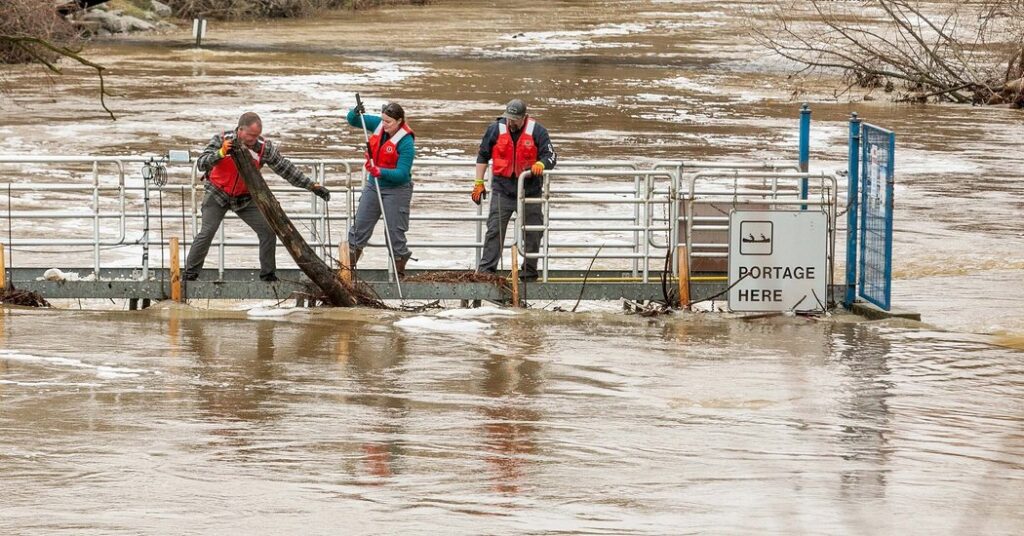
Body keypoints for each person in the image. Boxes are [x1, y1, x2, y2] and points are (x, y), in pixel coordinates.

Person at [184, 112, 331, 282]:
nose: (253, 139)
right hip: (217, 193)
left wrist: (312, 186)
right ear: (240, 130)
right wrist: (221, 153)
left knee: (268, 231)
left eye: (256, 135)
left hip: (245, 197)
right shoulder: (221, 139)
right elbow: (202, 163)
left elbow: (286, 169)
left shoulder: (264, 148)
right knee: (207, 232)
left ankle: (268, 275)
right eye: (250, 135)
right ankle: (190, 274)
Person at [472, 99, 556, 281]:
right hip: (502, 190)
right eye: (509, 118)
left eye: (515, 119)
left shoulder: (538, 131)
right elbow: (482, 155)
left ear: (524, 117)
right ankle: (486, 271)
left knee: (533, 232)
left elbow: (551, 156)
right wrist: (478, 182)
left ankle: (529, 272)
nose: (511, 123)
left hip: (530, 191)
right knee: (494, 230)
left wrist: (541, 163)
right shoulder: (495, 129)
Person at [344, 101, 415, 277]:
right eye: (383, 120)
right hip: (373, 186)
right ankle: (347, 270)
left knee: (394, 232)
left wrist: (380, 171)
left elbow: (402, 173)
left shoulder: (406, 142)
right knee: (359, 227)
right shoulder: (377, 124)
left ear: (399, 121)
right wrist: (355, 112)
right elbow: (353, 120)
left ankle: (399, 265)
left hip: (397, 189)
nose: (384, 125)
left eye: (388, 122)